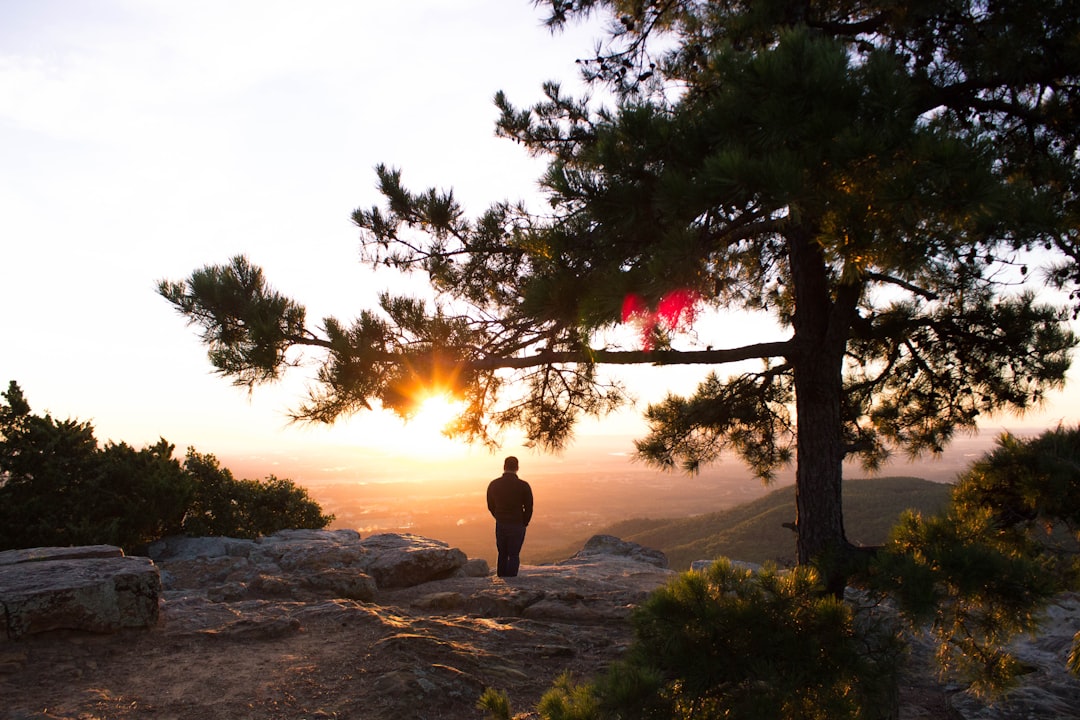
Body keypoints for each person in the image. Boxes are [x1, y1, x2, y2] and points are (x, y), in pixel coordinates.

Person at [486, 456, 533, 578]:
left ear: (504, 467)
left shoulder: (494, 484)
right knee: (513, 554)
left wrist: (498, 516)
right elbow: (529, 507)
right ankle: (512, 582)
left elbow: (490, 505)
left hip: (501, 523)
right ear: (517, 468)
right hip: (517, 523)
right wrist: (524, 522)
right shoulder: (523, 485)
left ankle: (501, 581)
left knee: (502, 553)